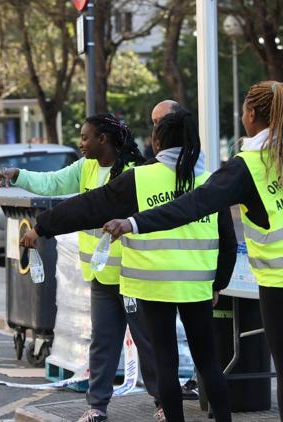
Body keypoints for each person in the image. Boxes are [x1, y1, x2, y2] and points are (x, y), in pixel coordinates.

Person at [103, 81, 283, 422]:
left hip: (281, 278)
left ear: (251, 114)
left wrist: (134, 223)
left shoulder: (248, 165)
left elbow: (191, 205)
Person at [21, 109, 236, 422]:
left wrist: (42, 227)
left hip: (152, 287)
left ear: (157, 142)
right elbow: (227, 241)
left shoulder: (139, 179)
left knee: (166, 363)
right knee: (209, 363)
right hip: (197, 288)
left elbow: (87, 207)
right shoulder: (207, 182)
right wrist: (218, 284)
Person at [0, 114, 163, 422]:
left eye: (85, 137)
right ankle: (97, 407)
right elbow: (52, 182)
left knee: (146, 341)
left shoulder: (136, 173)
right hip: (101, 276)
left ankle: (163, 403)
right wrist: (18, 175)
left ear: (103, 140)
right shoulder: (86, 168)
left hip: (133, 274)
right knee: (103, 343)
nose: (81, 143)